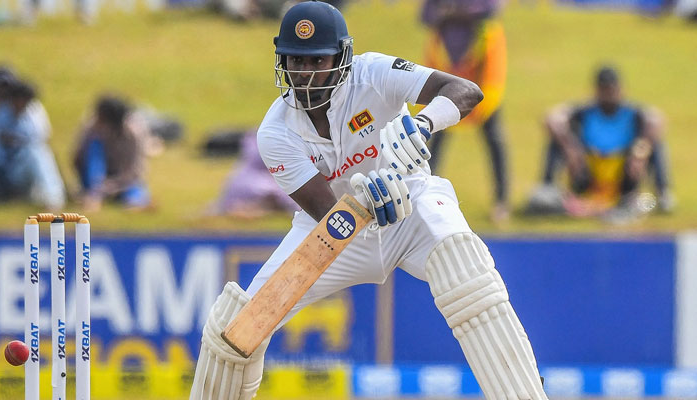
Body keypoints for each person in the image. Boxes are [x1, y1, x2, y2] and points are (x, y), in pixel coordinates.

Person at [189, 2, 548, 399]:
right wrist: (367, 202)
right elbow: (330, 217)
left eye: (316, 62)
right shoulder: (276, 133)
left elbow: (466, 90)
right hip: (335, 230)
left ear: (342, 57)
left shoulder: (374, 72)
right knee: (235, 332)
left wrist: (424, 123)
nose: (304, 76)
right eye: (295, 62)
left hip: (412, 204)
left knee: (463, 264)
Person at [526, 66, 673, 219]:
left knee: (655, 143)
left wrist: (640, 151)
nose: (608, 95)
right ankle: (547, 189)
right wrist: (570, 148)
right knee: (557, 139)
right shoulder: (584, 112)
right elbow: (551, 118)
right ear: (596, 90)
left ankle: (663, 194)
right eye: (604, 90)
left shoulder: (633, 112)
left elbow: (657, 119)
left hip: (623, 176)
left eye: (612, 89)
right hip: (588, 175)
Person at [420, 0, 510, 222]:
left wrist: (454, 12)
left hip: (480, 69)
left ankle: (501, 201)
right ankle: (422, 198)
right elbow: (426, 16)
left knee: (494, 138)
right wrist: (456, 14)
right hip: (448, 69)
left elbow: (493, 9)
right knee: (434, 138)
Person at [73, 95, 159, 212]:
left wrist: (109, 187)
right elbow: (78, 157)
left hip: (124, 178)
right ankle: (94, 194)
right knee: (94, 146)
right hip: (97, 176)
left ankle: (137, 201)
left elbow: (134, 171)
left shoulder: (133, 133)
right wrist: (95, 188)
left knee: (134, 191)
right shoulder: (92, 127)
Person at [0, 78, 66, 210]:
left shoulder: (34, 114)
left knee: (36, 151)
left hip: (24, 171)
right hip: (4, 170)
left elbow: (40, 139)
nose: (23, 104)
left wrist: (15, 140)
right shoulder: (2, 114)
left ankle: (54, 198)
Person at [205, 129, 299, 218]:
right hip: (256, 181)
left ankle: (253, 207)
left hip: (252, 179)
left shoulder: (258, 135)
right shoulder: (266, 137)